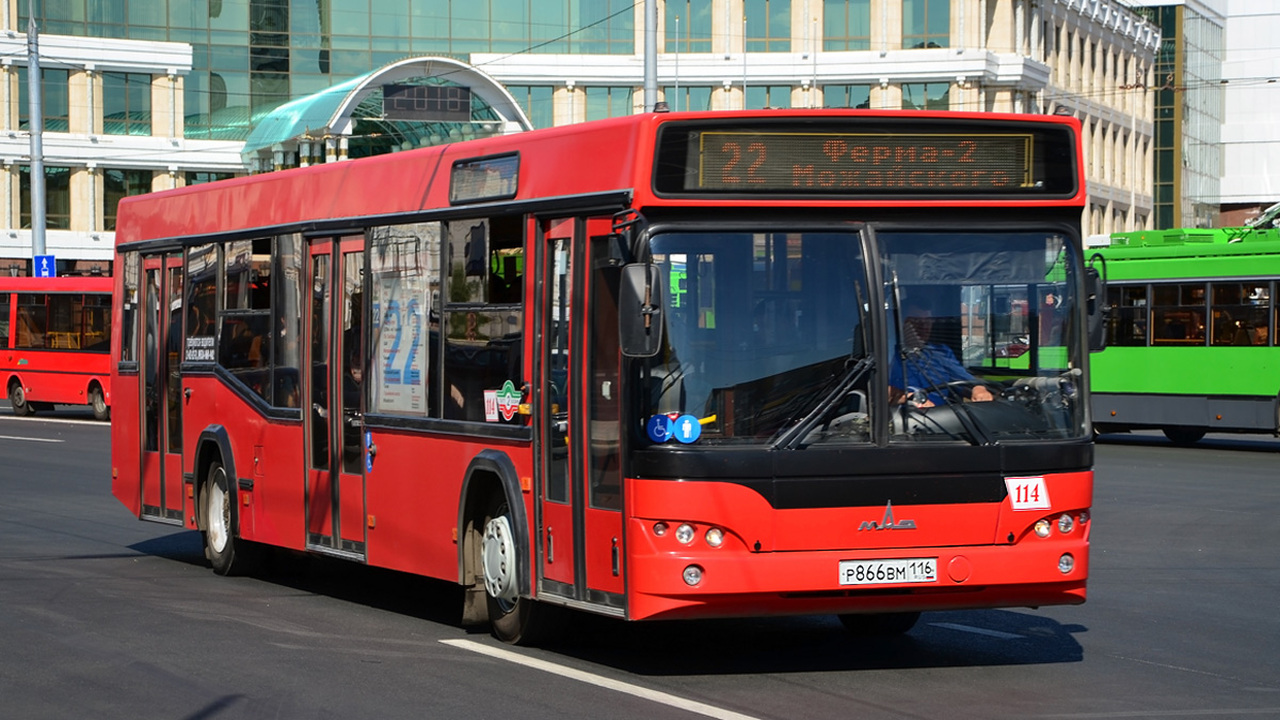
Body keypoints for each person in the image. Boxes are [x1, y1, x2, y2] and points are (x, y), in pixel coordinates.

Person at [890, 303, 994, 407]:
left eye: (928, 322)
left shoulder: (940, 353)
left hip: (941, 418)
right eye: (916, 321)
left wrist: (978, 389)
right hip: (902, 419)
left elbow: (965, 381)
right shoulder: (889, 355)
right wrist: (909, 398)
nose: (924, 327)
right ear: (902, 324)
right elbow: (878, 391)